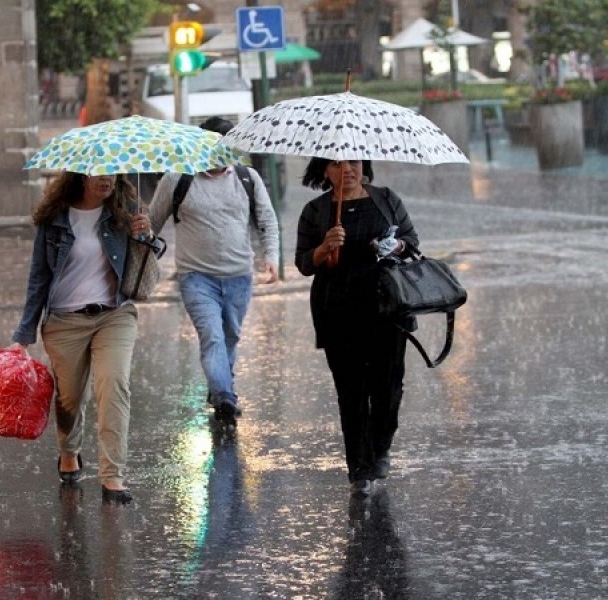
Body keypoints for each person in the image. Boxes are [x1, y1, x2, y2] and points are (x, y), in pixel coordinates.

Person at [11, 172, 156, 505]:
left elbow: (144, 265)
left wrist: (145, 235)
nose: (107, 179)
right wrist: (24, 333)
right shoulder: (56, 218)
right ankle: (69, 450)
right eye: (98, 174)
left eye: (112, 173)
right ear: (80, 176)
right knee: (70, 399)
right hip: (65, 321)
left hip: (114, 314)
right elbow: (39, 277)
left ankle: (113, 476)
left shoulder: (125, 209)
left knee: (114, 385)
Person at [295, 158, 419, 497]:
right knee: (351, 391)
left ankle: (380, 448)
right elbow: (304, 263)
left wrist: (397, 245)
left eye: (354, 161)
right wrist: (324, 248)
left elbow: (411, 240)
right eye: (337, 164)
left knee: (388, 387)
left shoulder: (386, 198)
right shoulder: (316, 211)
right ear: (324, 172)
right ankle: (360, 468)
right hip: (338, 309)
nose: (347, 168)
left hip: (387, 306)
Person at [149, 116, 280, 429]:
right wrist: (140, 247)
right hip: (196, 277)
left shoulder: (248, 178)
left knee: (230, 337)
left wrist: (272, 257)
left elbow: (267, 220)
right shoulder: (178, 179)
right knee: (212, 336)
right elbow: (153, 222)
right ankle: (224, 395)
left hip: (239, 275)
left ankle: (220, 388)